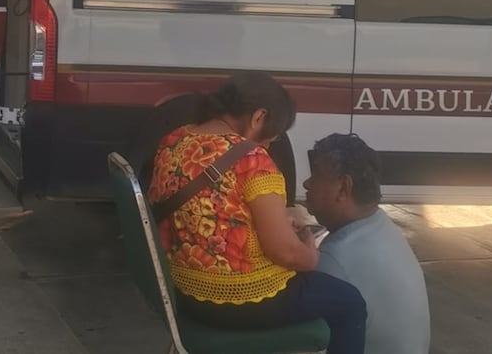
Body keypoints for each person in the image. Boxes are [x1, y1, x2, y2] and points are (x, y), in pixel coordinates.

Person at [148, 72, 366, 354]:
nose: (266, 146)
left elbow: (209, 213)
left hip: (181, 293)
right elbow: (285, 252)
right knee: (349, 302)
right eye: (270, 138)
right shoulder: (253, 161)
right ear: (258, 117)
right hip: (238, 301)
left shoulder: (173, 141)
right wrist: (311, 256)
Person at [305, 133, 430, 354]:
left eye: (316, 175)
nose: (307, 183)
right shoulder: (383, 228)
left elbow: (306, 340)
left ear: (344, 188)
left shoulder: (335, 258)